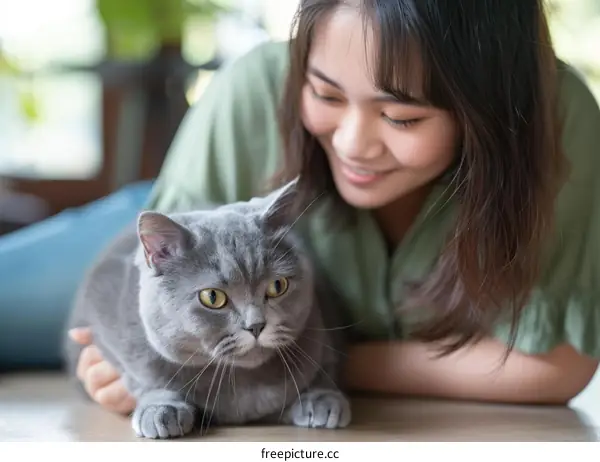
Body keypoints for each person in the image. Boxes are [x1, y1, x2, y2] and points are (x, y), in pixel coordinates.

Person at [8, 0, 600, 414]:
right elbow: (155, 307)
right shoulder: (255, 88)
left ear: (492, 110)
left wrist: (308, 366)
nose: (351, 144)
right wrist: (132, 371)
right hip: (169, 235)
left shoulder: (554, 115)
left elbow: (553, 368)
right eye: (325, 94)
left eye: (402, 117)